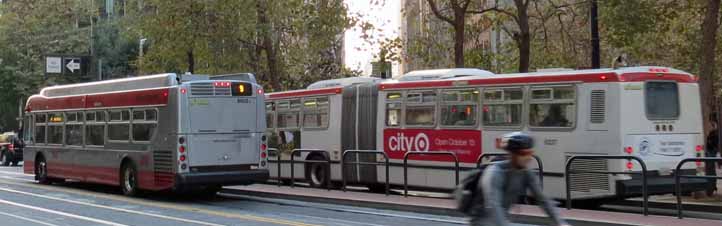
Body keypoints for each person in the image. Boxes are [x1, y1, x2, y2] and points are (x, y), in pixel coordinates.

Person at [470, 132, 569, 226]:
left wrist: (560, 222)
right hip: (482, 222)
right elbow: (493, 206)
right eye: (523, 153)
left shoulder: (526, 172)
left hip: (501, 221)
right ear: (512, 154)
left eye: (530, 153)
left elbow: (542, 199)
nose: (528, 158)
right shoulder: (495, 172)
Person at [705, 120, 719, 196]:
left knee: (710, 170)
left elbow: (712, 145)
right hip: (711, 152)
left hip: (711, 152)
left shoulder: (713, 134)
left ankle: (711, 188)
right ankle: (712, 187)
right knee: (710, 170)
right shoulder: (713, 134)